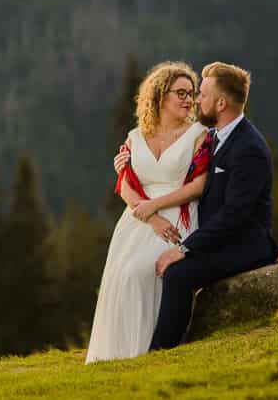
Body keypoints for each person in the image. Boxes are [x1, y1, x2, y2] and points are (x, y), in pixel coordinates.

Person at [149, 61, 278, 351]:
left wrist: (184, 249)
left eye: (202, 95)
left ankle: (162, 352)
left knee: (178, 275)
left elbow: (235, 216)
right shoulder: (215, 135)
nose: (196, 100)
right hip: (220, 238)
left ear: (221, 103)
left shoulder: (249, 149)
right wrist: (129, 160)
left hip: (245, 244)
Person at [85, 61, 209, 363]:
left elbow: (199, 186)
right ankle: (116, 355)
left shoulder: (198, 134)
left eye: (191, 93)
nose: (188, 99)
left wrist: (156, 207)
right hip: (138, 220)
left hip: (178, 216)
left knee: (142, 272)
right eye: (180, 93)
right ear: (160, 96)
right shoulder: (135, 136)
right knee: (120, 276)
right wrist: (150, 216)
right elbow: (125, 185)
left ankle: (146, 350)